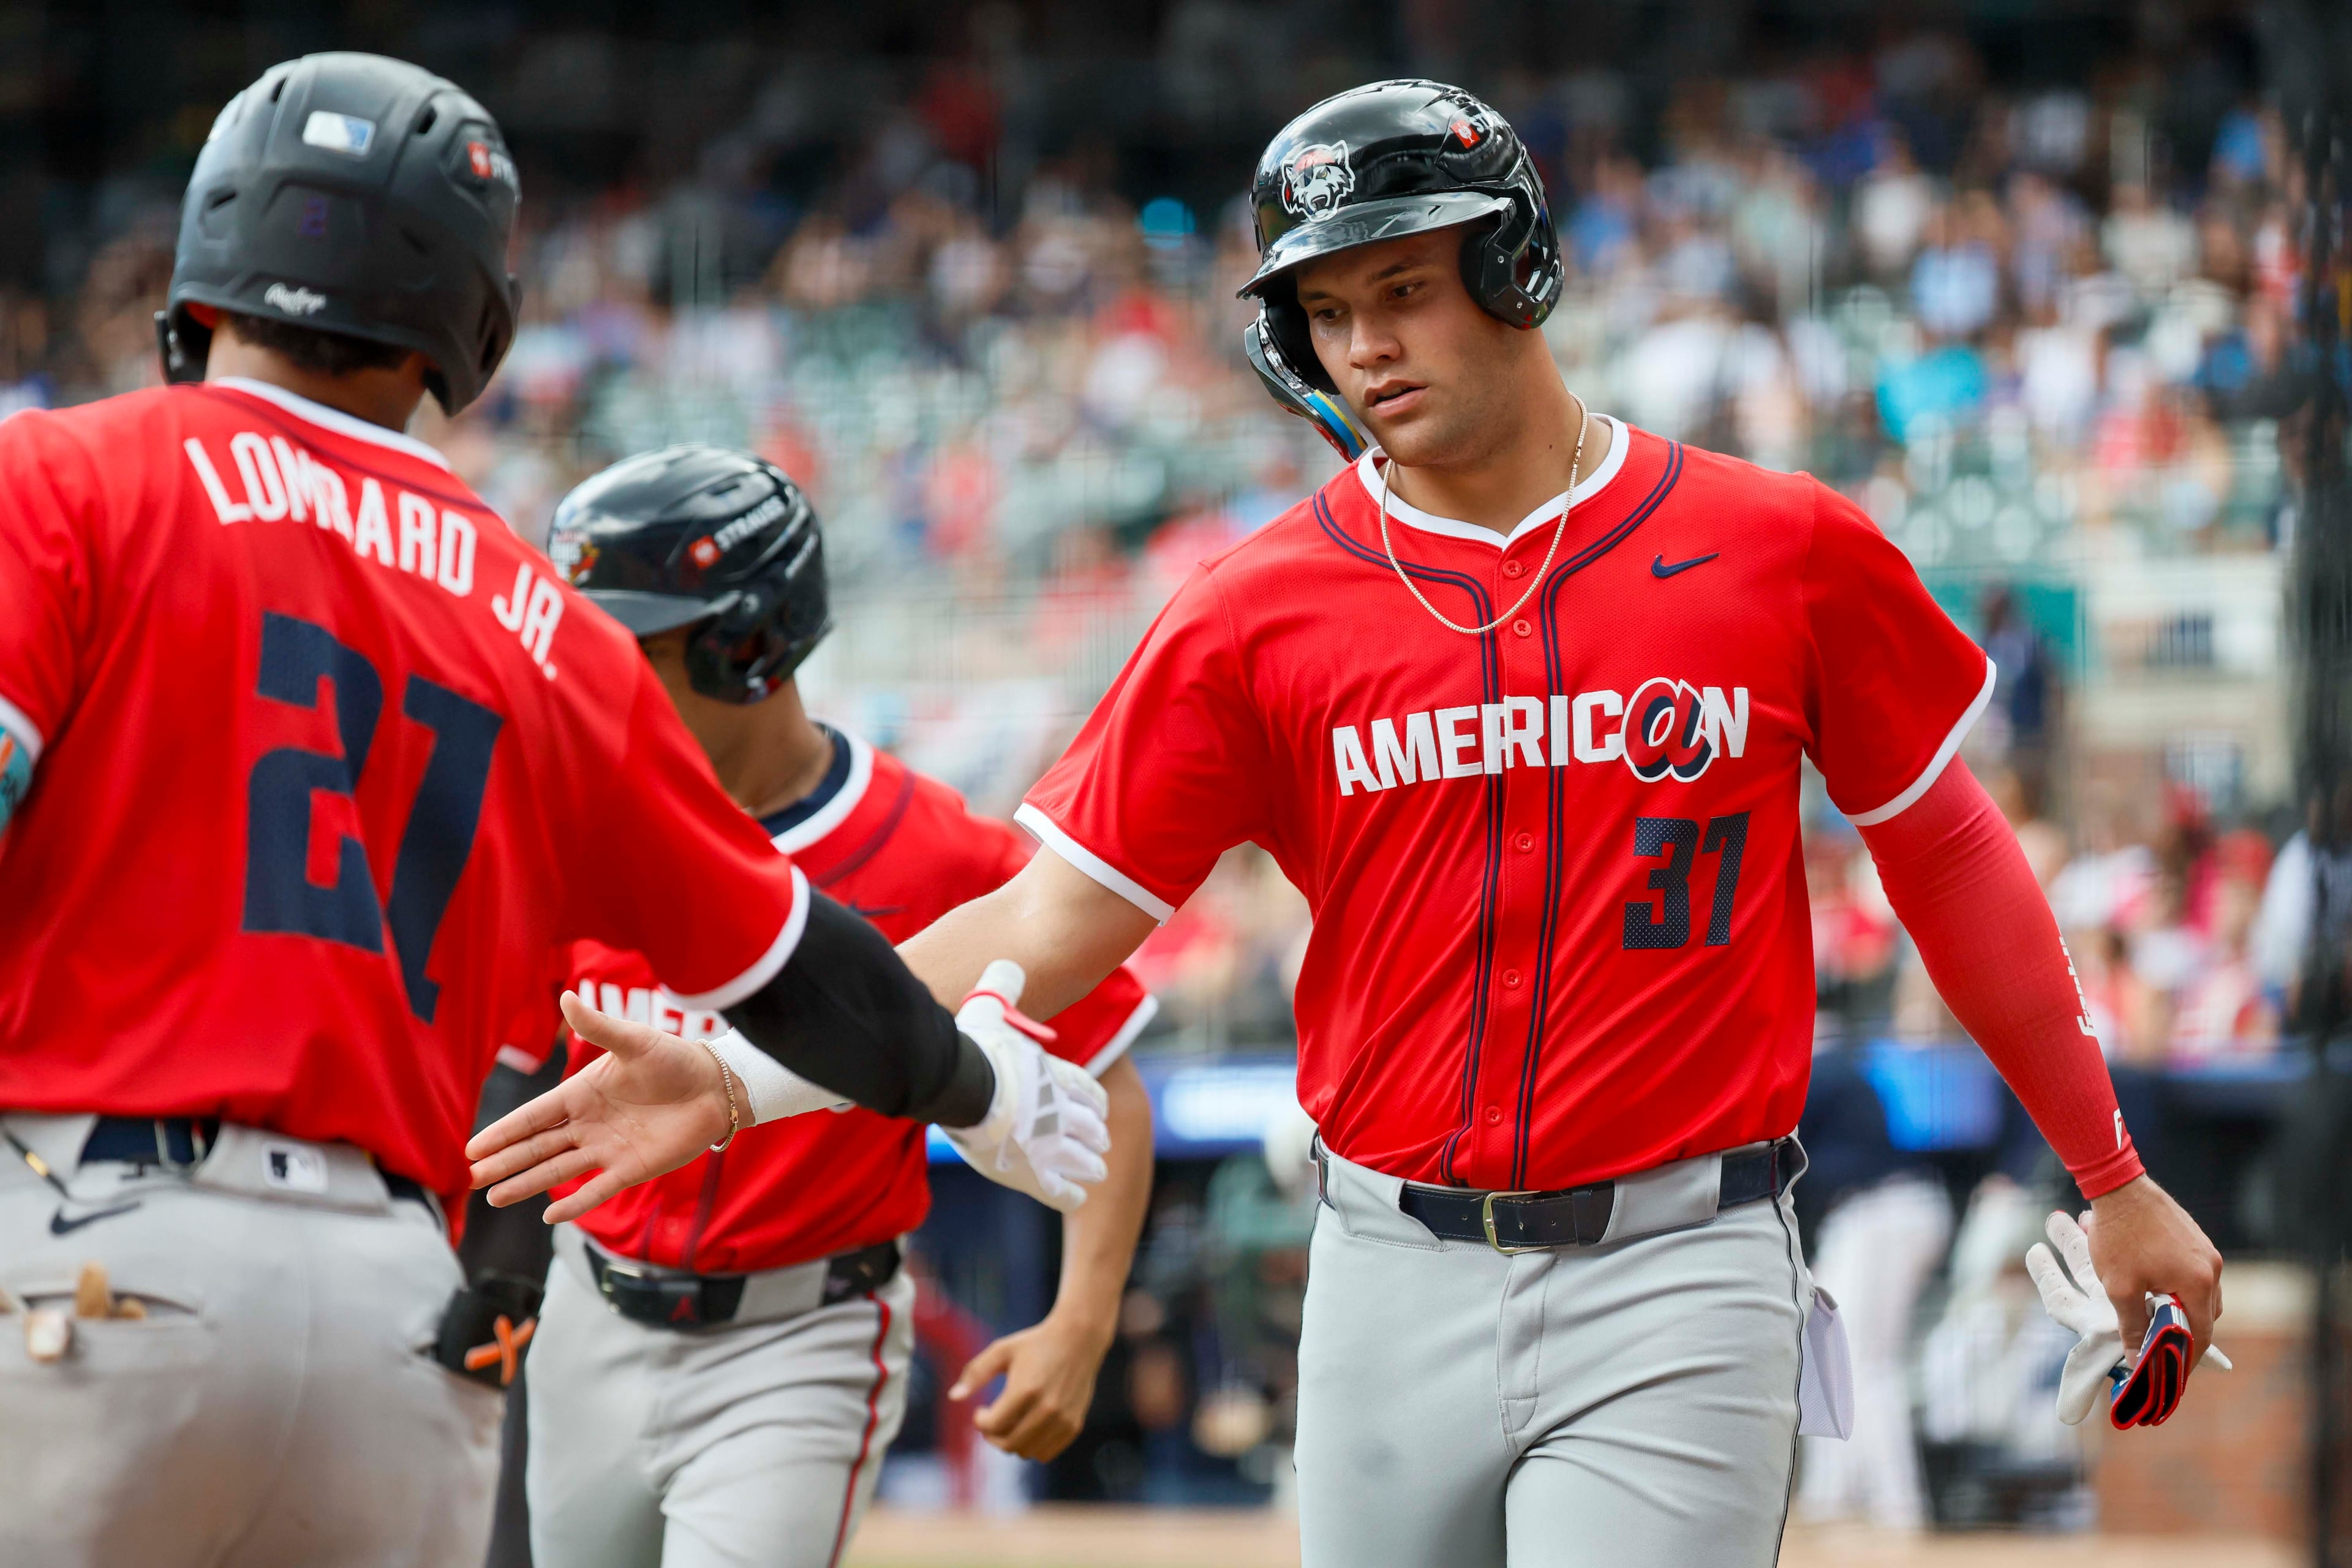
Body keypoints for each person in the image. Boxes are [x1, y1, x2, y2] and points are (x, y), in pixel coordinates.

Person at [469, 80, 2226, 1567]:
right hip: (1385, 1270)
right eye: (1327, 311)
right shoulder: (1251, 612)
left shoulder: (1782, 547)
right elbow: (1039, 929)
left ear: (1517, 266)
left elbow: (1948, 854)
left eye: (1406, 289)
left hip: (1683, 1268)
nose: (1365, 346)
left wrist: (2114, 1173)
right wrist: (743, 1070)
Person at [0, 54, 1107, 1568]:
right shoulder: (538, 614)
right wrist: (976, 1085)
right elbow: (794, 966)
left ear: (199, 276)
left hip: (90, 1243)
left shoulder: (56, 477)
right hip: (388, 1316)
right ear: (476, 323)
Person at [512, 446, 1158, 1567]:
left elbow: (1108, 1074)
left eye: (632, 647)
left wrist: (1084, 1317)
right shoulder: (565, 816)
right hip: (585, 1318)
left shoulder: (938, 848)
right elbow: (504, 1062)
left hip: (797, 1341)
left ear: (749, 643)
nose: (590, 679)